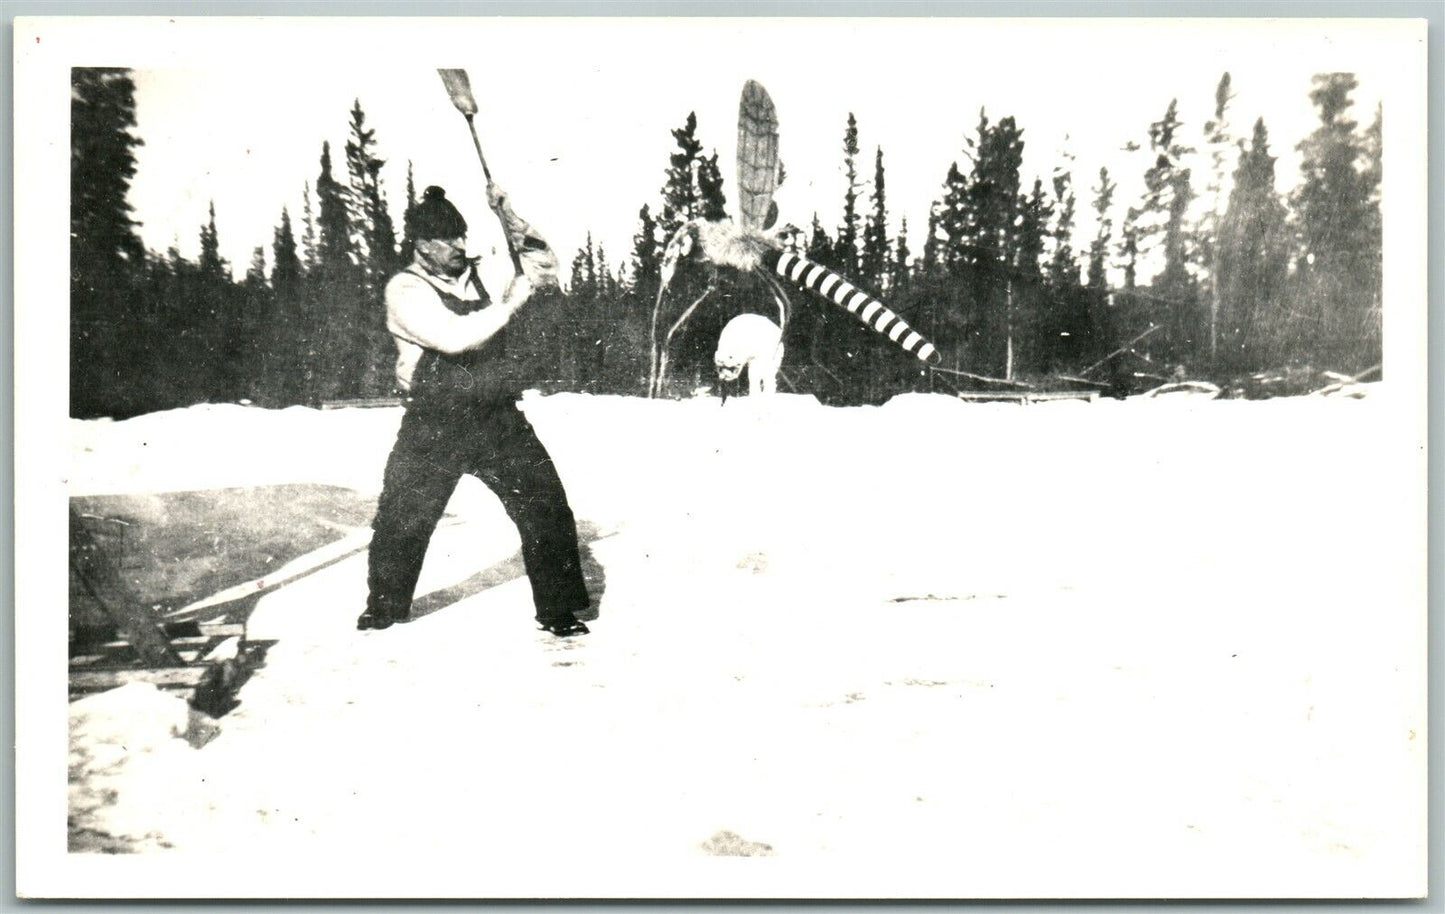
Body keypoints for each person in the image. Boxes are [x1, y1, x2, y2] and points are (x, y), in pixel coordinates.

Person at [357, 184, 591, 637]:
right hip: (435, 419)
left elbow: (541, 266)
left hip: (494, 413)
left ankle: (559, 609)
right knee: (405, 514)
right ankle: (385, 605)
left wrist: (512, 218)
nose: (461, 246)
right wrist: (509, 304)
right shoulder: (404, 289)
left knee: (545, 505)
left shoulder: (483, 274)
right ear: (422, 245)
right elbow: (454, 338)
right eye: (449, 240)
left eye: (463, 236)